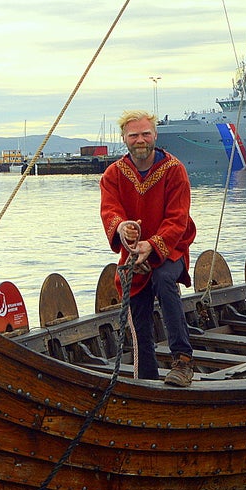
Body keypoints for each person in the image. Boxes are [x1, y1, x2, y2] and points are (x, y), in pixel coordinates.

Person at [100, 109, 196, 387]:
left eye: (145, 134)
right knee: (135, 302)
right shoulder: (113, 174)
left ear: (155, 135)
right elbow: (110, 210)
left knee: (164, 278)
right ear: (124, 138)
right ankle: (146, 377)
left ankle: (183, 361)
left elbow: (178, 219)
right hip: (132, 256)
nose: (140, 140)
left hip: (171, 249)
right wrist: (122, 228)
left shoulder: (174, 170)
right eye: (134, 135)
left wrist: (152, 245)